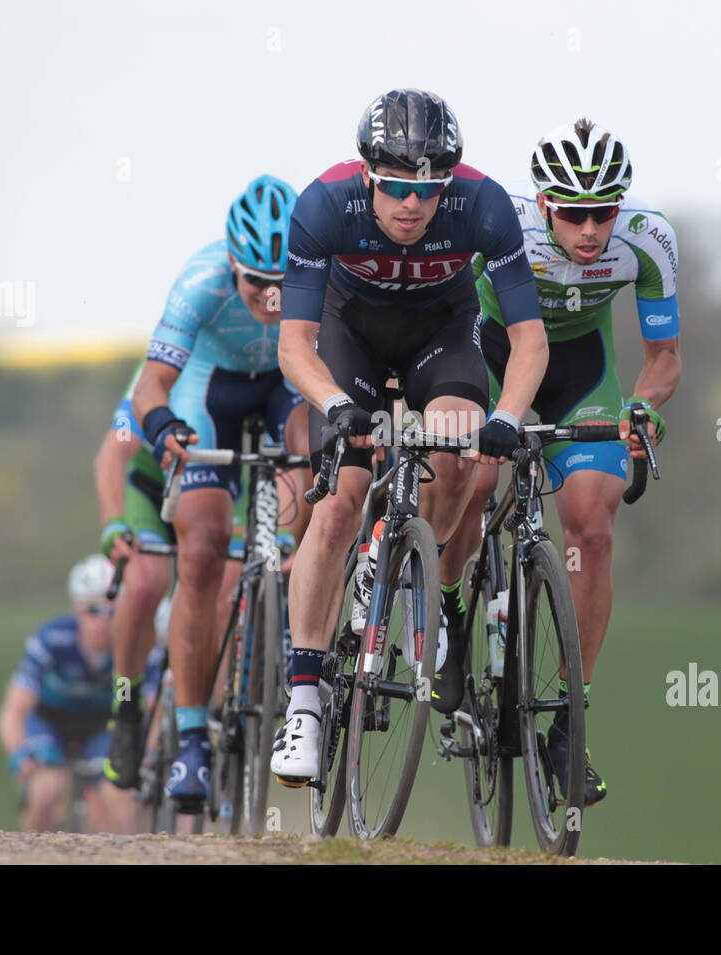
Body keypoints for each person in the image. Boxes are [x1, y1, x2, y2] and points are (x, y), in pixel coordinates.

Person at [270, 88, 549, 784]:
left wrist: (507, 418)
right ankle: (304, 702)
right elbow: (294, 346)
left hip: (439, 334)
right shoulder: (323, 204)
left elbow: (529, 340)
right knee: (338, 502)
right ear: (369, 174)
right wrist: (334, 404)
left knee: (458, 463)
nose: (412, 205)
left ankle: (415, 575)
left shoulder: (484, 205)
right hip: (349, 337)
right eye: (395, 188)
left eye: (427, 190)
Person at [437, 119, 681, 805]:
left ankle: (571, 721)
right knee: (478, 477)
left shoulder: (648, 240)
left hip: (582, 376)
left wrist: (642, 406)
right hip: (493, 357)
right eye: (573, 212)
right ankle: (453, 608)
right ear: (543, 204)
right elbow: (440, 306)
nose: (590, 228)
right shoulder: (501, 224)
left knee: (593, 526)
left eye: (604, 210)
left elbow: (664, 356)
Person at [127, 176, 312, 810]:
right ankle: (190, 742)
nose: (270, 295)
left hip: (286, 381)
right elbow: (150, 385)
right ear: (232, 265)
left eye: (283, 281)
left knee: (313, 450)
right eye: (255, 281)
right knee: (203, 552)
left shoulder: (321, 266)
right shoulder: (202, 280)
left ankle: (287, 576)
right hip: (211, 392)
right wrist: (163, 428)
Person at [94, 362, 298, 789]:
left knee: (226, 592)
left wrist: (284, 531)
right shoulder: (167, 367)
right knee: (146, 584)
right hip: (153, 494)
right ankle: (127, 708)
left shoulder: (263, 367)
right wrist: (114, 521)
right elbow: (114, 453)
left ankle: (215, 712)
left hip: (226, 493)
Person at [0, 556, 156, 833]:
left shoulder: (137, 645)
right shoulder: (51, 639)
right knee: (46, 791)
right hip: (49, 722)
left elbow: (155, 708)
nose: (102, 621)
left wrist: (150, 752)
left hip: (105, 723)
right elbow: (13, 711)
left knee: (121, 801)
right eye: (92, 610)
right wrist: (19, 753)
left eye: (112, 611)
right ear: (76, 608)